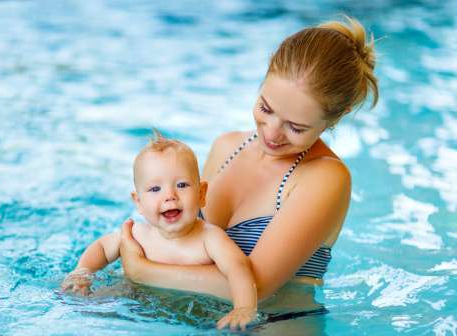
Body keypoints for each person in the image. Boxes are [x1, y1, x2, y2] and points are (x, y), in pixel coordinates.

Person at [118, 17, 379, 311]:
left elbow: (258, 287)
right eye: (266, 108)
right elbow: (186, 241)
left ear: (338, 116)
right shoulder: (226, 146)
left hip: (273, 330)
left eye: (296, 127)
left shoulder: (325, 178)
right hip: (196, 315)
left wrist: (142, 271)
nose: (270, 133)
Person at [61, 131, 258, 330]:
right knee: (85, 305)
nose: (169, 196)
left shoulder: (210, 238)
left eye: (181, 185)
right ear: (138, 202)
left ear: (201, 194)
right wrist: (82, 272)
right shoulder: (138, 234)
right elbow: (102, 248)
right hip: (132, 300)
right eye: (155, 189)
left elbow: (238, 269)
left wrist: (244, 308)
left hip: (192, 315)